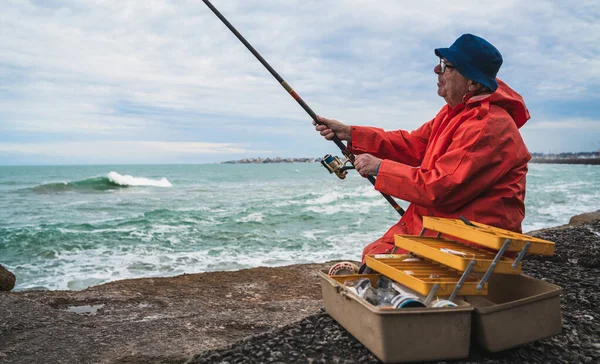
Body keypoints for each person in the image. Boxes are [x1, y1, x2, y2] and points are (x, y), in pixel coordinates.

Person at [314, 34, 531, 260]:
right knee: (373, 255)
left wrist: (379, 168)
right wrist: (350, 132)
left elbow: (439, 187)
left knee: (377, 262)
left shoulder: (487, 126)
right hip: (447, 228)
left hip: (472, 241)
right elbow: (413, 145)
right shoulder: (455, 113)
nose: (437, 71)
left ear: (473, 82)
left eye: (446, 66)